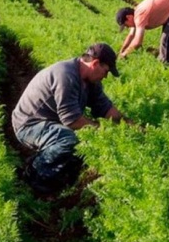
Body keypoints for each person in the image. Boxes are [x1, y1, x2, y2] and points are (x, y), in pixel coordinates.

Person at [12, 43, 131, 194]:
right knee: (68, 139)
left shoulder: (91, 81)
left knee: (78, 142)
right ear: (95, 64)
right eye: (106, 71)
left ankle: (62, 174)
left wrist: (128, 124)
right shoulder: (66, 75)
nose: (105, 76)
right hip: (28, 125)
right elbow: (72, 121)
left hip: (50, 122)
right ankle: (35, 173)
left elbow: (105, 108)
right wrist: (103, 130)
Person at [116, 0, 169, 65]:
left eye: (126, 25)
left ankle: (168, 66)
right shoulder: (136, 13)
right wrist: (122, 51)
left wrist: (124, 54)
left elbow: (138, 42)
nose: (128, 27)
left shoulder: (139, 15)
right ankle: (165, 64)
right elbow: (131, 35)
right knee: (166, 38)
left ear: (128, 17)